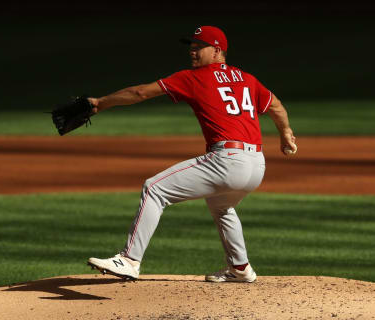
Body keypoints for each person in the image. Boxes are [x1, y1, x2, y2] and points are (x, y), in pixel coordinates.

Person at [87, 26, 296, 283]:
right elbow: (275, 105)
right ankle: (240, 268)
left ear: (217, 50)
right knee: (221, 205)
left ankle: (129, 260)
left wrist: (100, 102)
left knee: (154, 188)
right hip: (256, 166)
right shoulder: (246, 78)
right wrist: (285, 133)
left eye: (200, 47)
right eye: (192, 46)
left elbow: (140, 92)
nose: (193, 51)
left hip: (228, 161)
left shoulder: (194, 77)